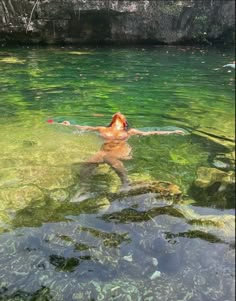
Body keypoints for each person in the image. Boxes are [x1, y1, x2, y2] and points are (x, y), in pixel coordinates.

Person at [52, 112, 185, 188]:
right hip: (104, 150)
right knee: (88, 162)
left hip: (121, 150)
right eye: (115, 116)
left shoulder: (130, 131)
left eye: (121, 117)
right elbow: (83, 128)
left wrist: (172, 131)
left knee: (110, 157)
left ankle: (125, 182)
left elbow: (149, 133)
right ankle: (83, 187)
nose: (118, 114)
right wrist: (67, 124)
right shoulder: (102, 129)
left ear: (124, 123)